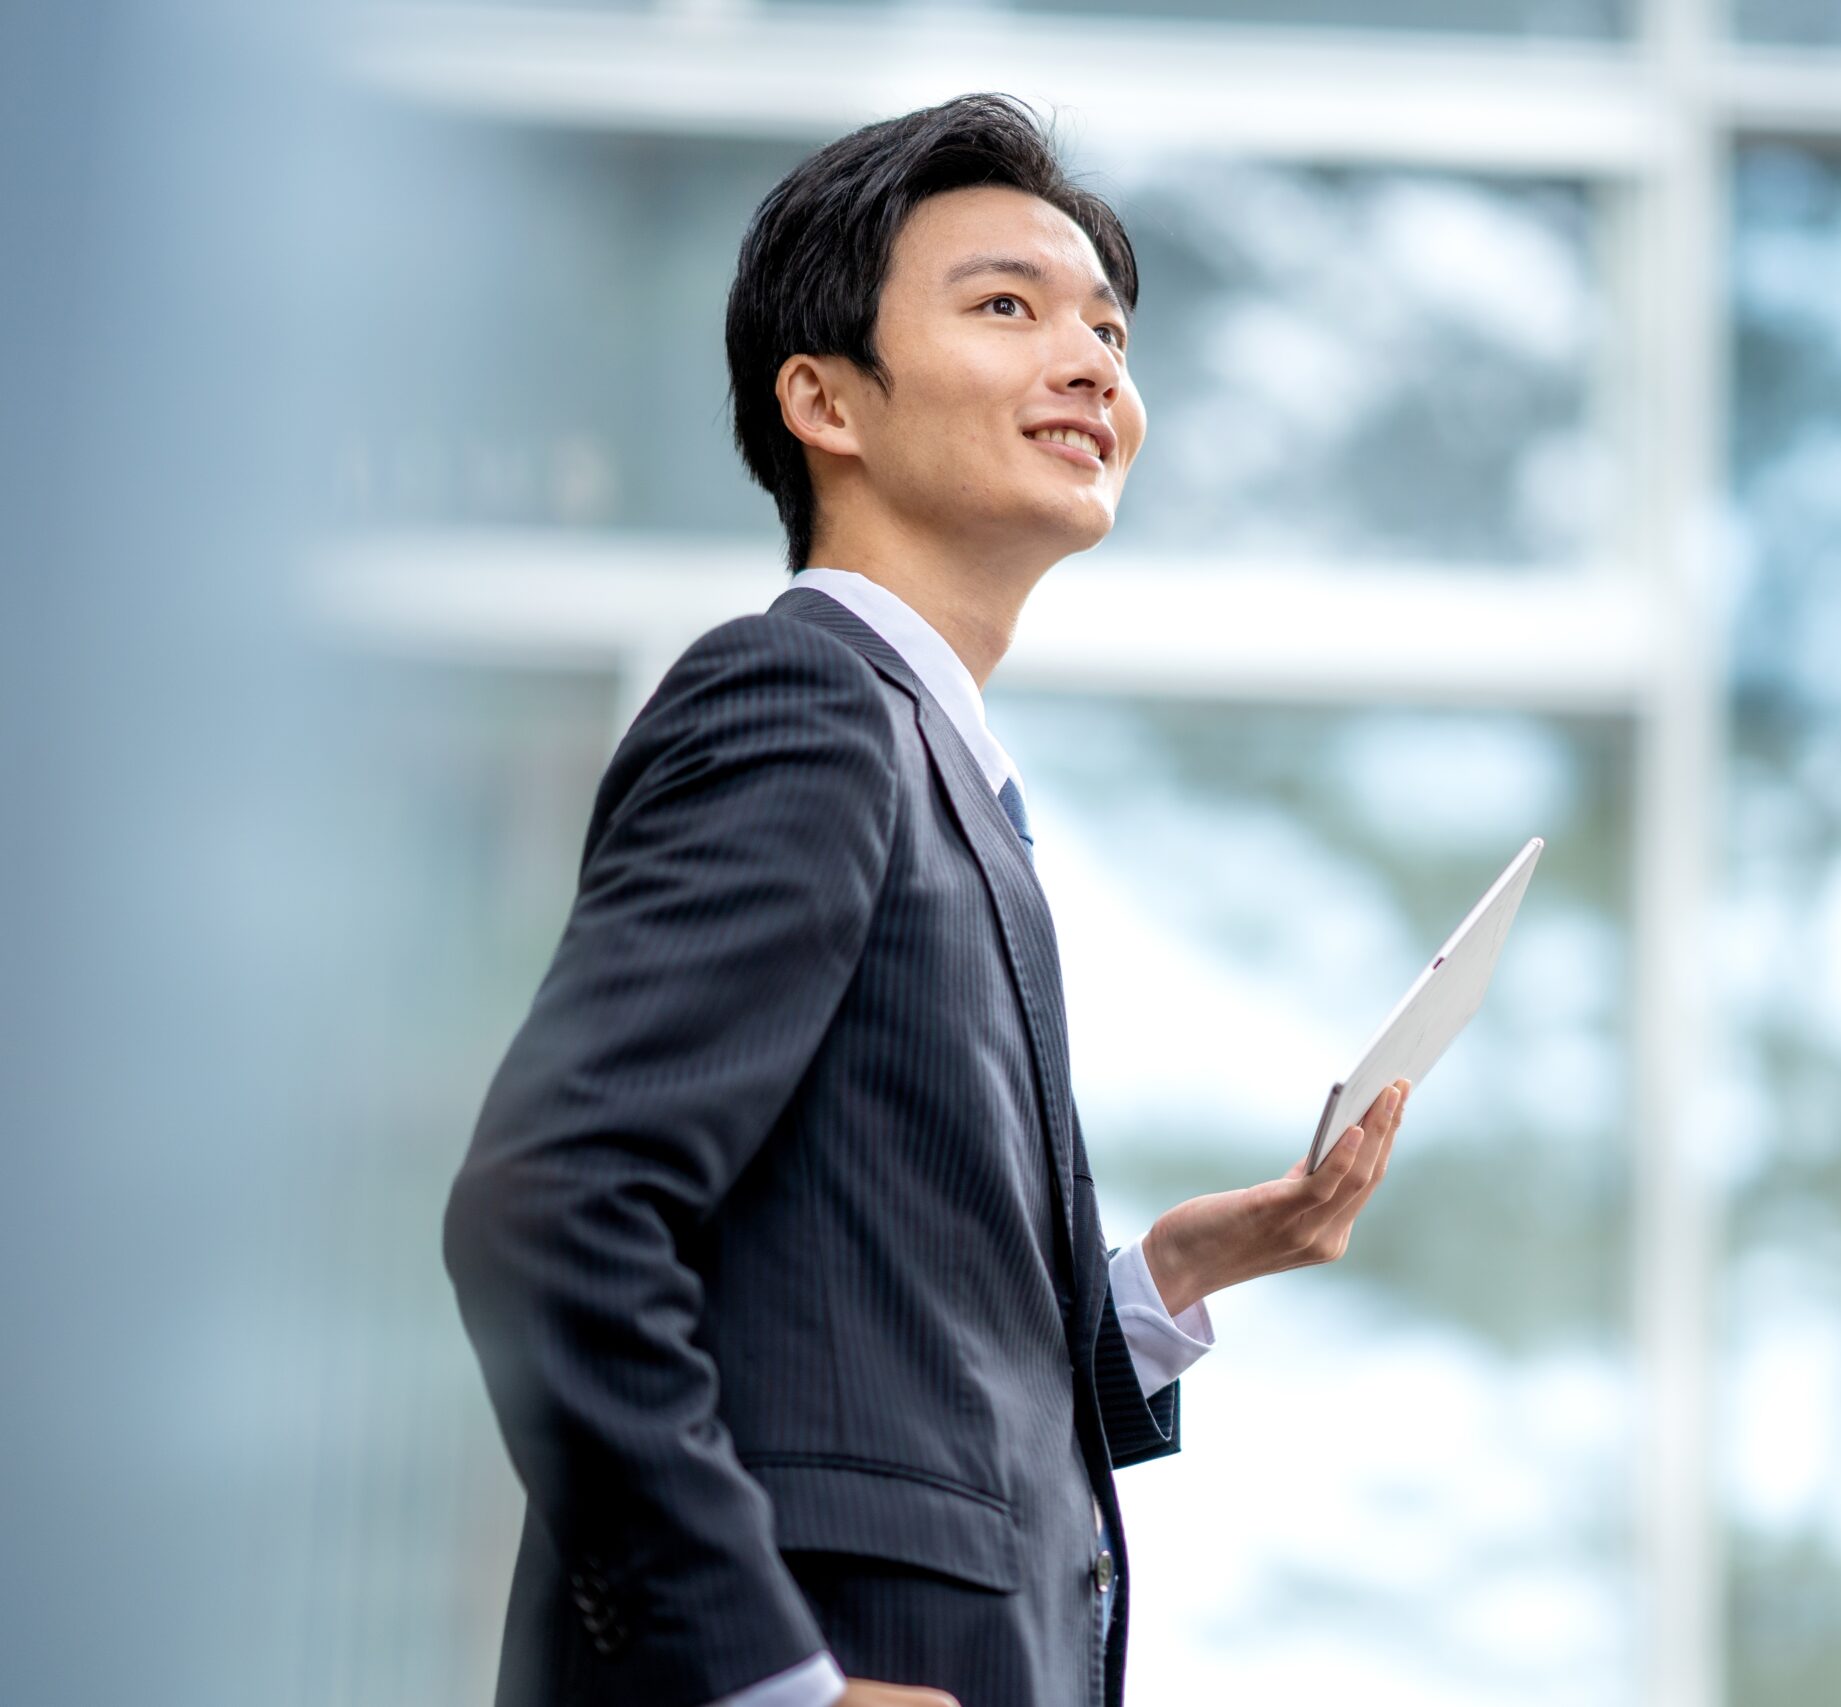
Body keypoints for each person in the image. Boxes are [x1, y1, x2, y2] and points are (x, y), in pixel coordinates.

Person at [441, 93, 1409, 1707]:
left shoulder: (940, 772)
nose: (1091, 362)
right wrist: (765, 1681)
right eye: (1008, 307)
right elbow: (555, 1204)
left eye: (1107, 329)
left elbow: (875, 1367)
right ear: (825, 400)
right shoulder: (802, 704)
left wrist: (1161, 1285)